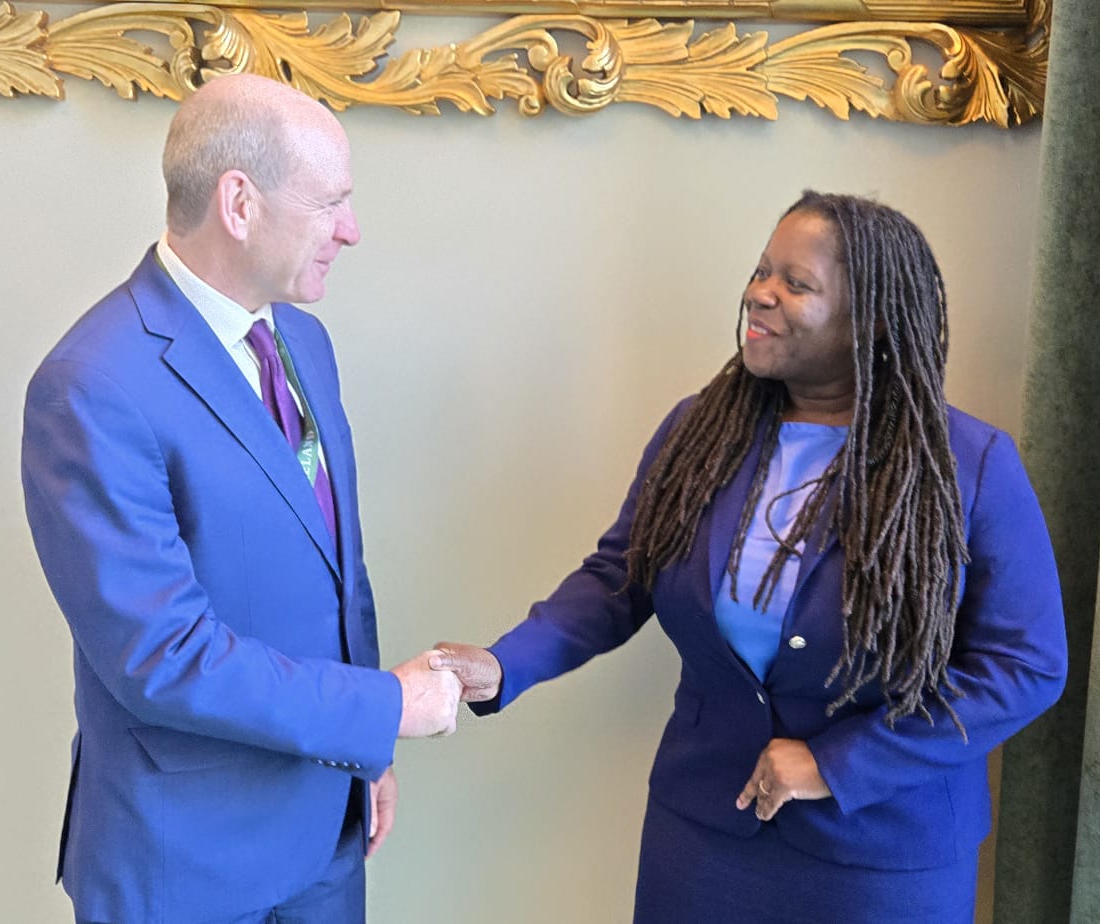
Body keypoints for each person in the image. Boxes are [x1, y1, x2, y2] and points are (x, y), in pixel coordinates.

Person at [435, 191, 1068, 922]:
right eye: (763, 271)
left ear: (873, 319)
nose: (759, 293)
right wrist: (505, 664)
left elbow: (1025, 666)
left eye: (796, 283)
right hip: (705, 838)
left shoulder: (967, 465)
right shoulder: (699, 433)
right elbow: (620, 578)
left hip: (881, 855)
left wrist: (837, 763)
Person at [21, 73, 461, 924]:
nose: (351, 229)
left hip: (326, 840)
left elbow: (338, 575)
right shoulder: (91, 386)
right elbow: (162, 656)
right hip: (186, 865)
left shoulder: (305, 342)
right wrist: (386, 707)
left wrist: (366, 752)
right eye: (330, 203)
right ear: (239, 203)